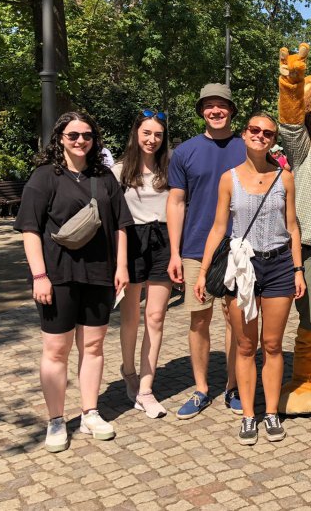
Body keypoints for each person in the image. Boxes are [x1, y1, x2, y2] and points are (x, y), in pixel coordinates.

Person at [14, 112, 132, 453]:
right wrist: (39, 275)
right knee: (56, 350)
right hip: (57, 276)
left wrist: (121, 266)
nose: (81, 141)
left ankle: (90, 412)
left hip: (99, 275)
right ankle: (55, 420)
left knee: (93, 346)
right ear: (60, 138)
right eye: (73, 135)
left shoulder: (104, 177)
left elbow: (121, 224)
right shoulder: (44, 177)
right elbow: (29, 229)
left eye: (87, 135)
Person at [195, 113, 306, 445]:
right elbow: (218, 227)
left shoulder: (284, 177)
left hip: (279, 265)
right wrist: (202, 272)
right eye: (255, 130)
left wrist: (298, 269)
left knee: (272, 345)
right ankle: (248, 415)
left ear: (274, 140)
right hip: (242, 267)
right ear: (244, 135)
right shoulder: (229, 179)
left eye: (268, 133)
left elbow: (293, 227)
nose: (261, 136)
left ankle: (270, 412)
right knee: (245, 346)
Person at [167, 83, 246, 419]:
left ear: (231, 110)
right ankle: (201, 389)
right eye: (209, 106)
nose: (216, 111)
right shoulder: (184, 152)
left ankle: (232, 386)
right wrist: (174, 252)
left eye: (222, 105)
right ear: (201, 110)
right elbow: (175, 201)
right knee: (199, 320)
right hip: (197, 248)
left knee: (236, 321)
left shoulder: (248, 148)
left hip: (241, 248)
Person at [112, 109, 173, 419]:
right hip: (132, 241)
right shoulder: (120, 171)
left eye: (158, 135)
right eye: (147, 133)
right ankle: (128, 371)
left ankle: (147, 388)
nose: (152, 139)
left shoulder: (170, 169)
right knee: (131, 316)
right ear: (136, 134)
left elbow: (179, 207)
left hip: (163, 240)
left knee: (156, 316)